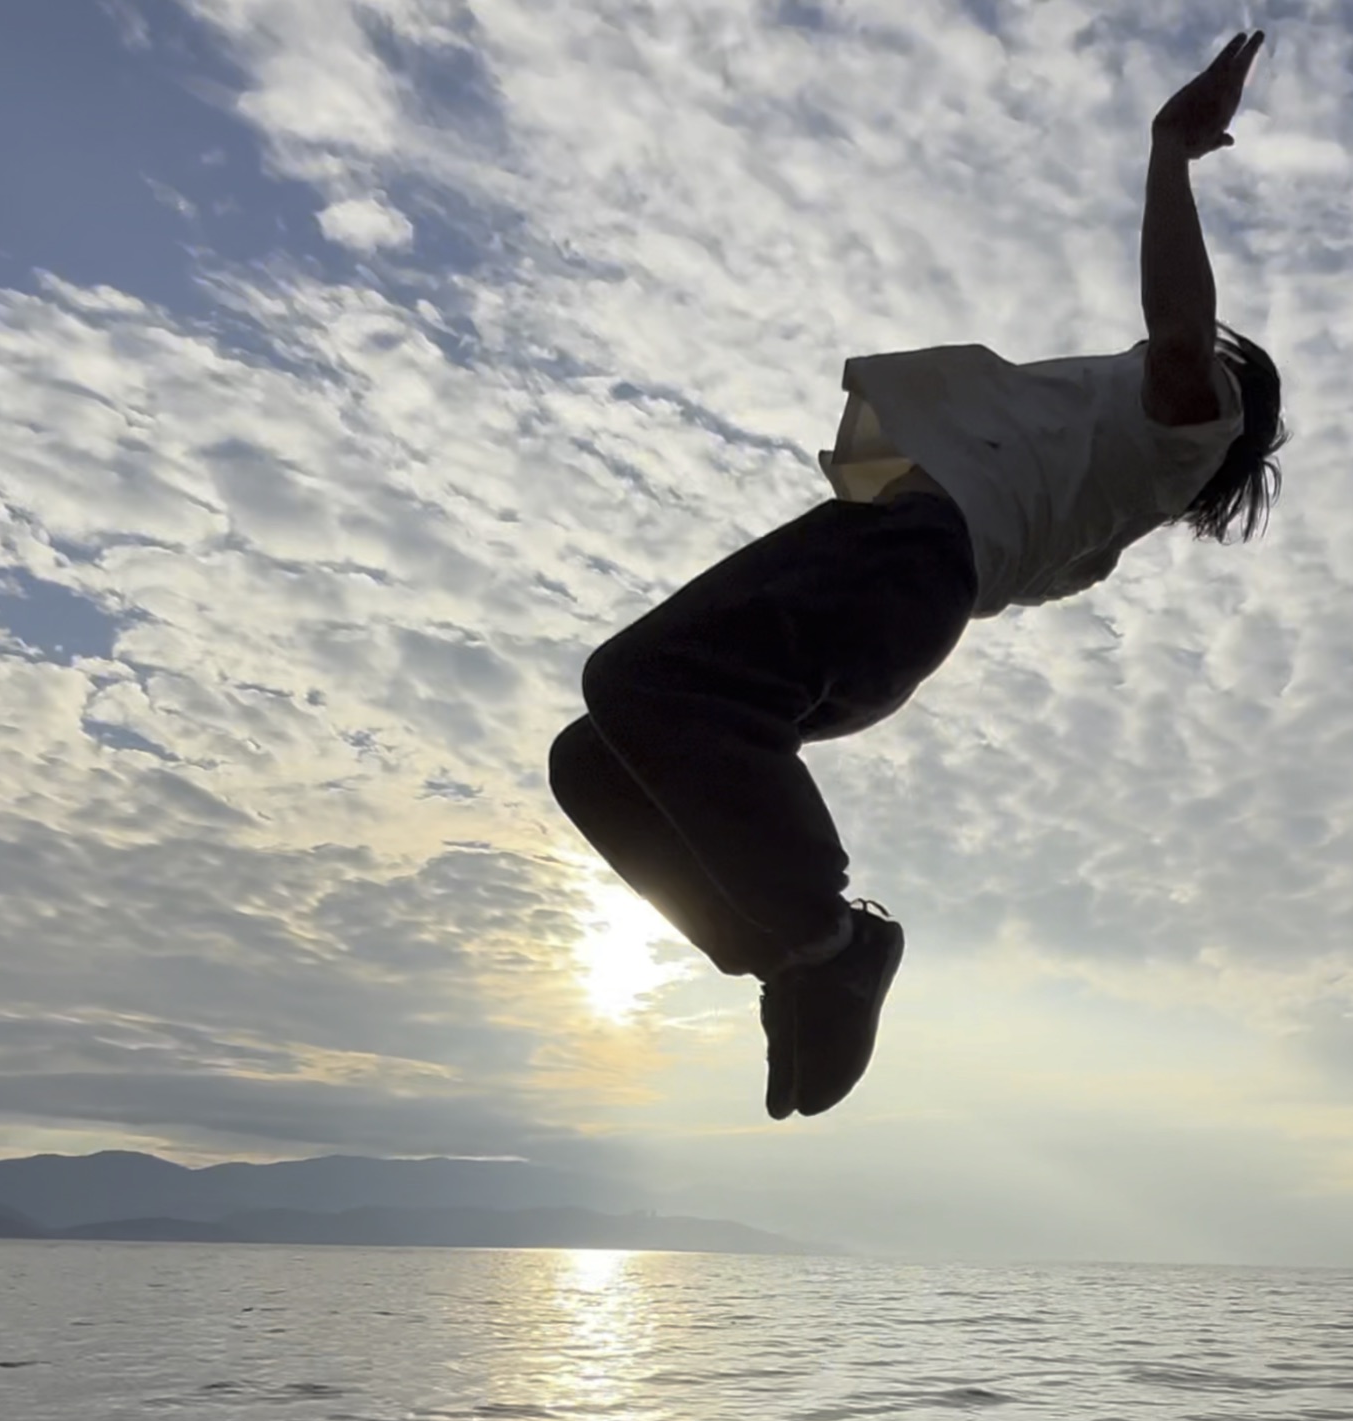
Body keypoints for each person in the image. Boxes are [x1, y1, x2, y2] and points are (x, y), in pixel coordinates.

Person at [548, 32, 1287, 1120]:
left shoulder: (1186, 428)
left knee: (637, 684)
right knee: (597, 756)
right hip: (892, 582)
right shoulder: (1083, 484)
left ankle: (830, 941)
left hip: (901, 568)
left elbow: (1177, 339)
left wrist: (1167, 152)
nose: (1157, 363)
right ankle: (789, 958)